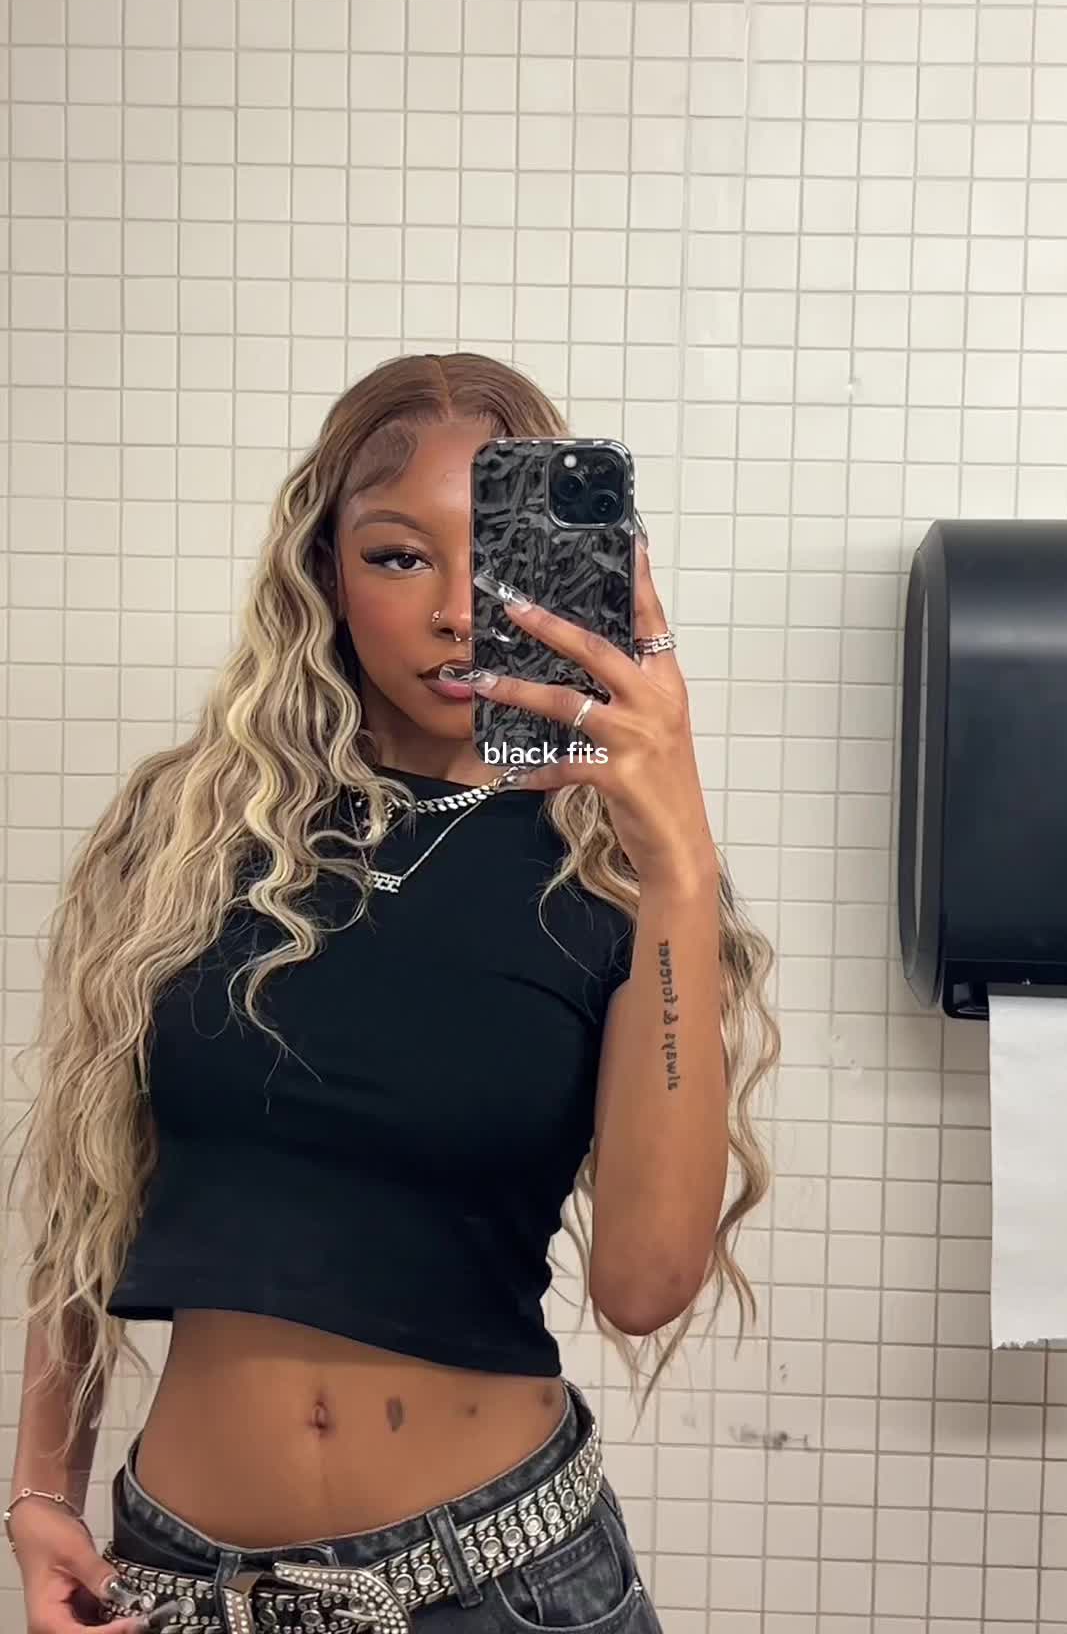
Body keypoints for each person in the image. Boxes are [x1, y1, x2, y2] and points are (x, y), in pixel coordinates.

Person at [4, 353, 777, 1634]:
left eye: (498, 559)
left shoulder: (621, 873)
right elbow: (88, 1197)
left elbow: (645, 1283)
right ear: (325, 570)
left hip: (502, 1584)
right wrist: (42, 1495)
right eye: (400, 556)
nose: (457, 610)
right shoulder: (186, 831)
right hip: (178, 1589)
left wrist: (682, 864)